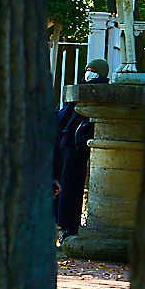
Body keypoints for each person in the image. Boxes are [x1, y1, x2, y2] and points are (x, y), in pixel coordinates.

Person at [53, 59, 108, 237]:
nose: (89, 73)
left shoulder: (99, 92)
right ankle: (63, 228)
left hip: (76, 147)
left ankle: (69, 228)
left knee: (70, 190)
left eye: (93, 70)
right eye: (88, 70)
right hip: (68, 145)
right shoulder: (80, 92)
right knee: (63, 189)